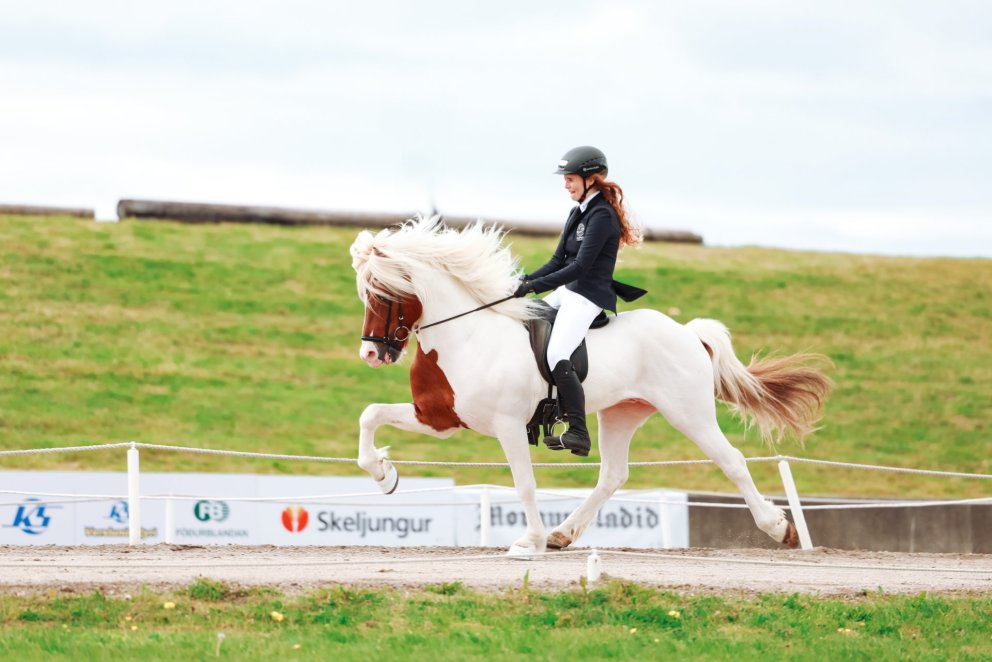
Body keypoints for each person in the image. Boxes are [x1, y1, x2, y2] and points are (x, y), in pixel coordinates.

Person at [513, 146, 643, 456]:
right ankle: (536, 411)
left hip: (588, 295)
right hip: (569, 290)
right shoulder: (578, 212)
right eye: (566, 179)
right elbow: (558, 259)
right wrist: (523, 281)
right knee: (526, 320)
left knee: (558, 351)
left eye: (570, 179)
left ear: (591, 179)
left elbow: (581, 267)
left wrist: (534, 285)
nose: (566, 185)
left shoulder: (603, 216)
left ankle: (578, 431)